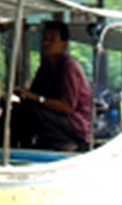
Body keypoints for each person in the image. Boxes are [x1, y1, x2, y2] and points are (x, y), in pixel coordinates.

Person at [12, 20, 93, 151]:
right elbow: (33, 94)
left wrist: (37, 98)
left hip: (76, 124)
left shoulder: (69, 67)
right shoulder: (46, 66)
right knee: (19, 109)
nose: (46, 43)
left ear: (64, 45)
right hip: (55, 118)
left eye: (52, 40)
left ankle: (64, 143)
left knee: (34, 111)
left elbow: (67, 107)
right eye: (45, 39)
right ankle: (15, 146)